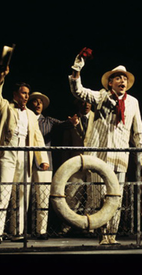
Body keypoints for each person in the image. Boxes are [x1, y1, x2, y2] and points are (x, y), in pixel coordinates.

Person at [69, 51, 142, 245]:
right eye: (118, 78)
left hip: (120, 158)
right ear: (110, 83)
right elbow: (79, 91)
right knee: (99, 197)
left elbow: (138, 131)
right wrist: (78, 67)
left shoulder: (133, 103)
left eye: (125, 78)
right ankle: (102, 234)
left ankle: (111, 235)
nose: (122, 81)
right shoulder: (101, 97)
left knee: (116, 198)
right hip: (99, 156)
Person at [0, 65, 49, 244]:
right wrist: (0, 78)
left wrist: (42, 159)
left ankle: (17, 232)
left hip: (24, 155)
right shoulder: (6, 107)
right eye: (23, 93)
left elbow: (37, 138)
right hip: (7, 153)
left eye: (27, 93)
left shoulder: (30, 114)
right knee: (4, 193)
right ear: (15, 94)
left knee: (22, 195)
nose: (26, 96)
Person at [27, 91, 77, 239]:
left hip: (44, 163)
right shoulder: (24, 118)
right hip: (25, 161)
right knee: (22, 198)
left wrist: (72, 122)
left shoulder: (47, 121)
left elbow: (62, 124)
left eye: (40, 102)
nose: (38, 104)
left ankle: (41, 231)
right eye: (35, 101)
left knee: (42, 198)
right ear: (30, 104)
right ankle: (18, 231)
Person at [59, 99, 99, 237]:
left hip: (93, 162)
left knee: (93, 196)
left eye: (89, 102)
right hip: (76, 163)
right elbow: (66, 144)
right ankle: (68, 226)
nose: (86, 105)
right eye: (83, 102)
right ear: (78, 104)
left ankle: (90, 227)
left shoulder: (98, 118)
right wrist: (66, 166)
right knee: (72, 194)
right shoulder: (72, 119)